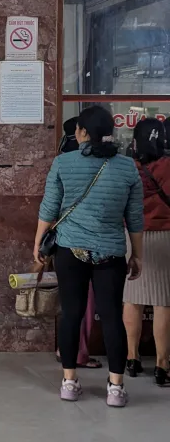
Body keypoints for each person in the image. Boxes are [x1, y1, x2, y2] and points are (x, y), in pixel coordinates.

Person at [34, 105, 144, 407]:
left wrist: (37, 244)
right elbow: (134, 218)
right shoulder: (127, 167)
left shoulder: (63, 163)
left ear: (81, 132)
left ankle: (69, 382)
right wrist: (137, 255)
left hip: (70, 250)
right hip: (111, 252)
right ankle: (116, 387)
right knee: (111, 318)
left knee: (71, 314)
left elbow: (49, 208)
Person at [122, 118, 170, 386]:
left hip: (133, 236)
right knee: (163, 301)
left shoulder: (129, 167)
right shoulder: (167, 166)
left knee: (133, 298)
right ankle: (162, 365)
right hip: (164, 236)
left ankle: (132, 357)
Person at [54, 117, 101, 370]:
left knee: (70, 305)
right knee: (86, 304)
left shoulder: (62, 156)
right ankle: (79, 353)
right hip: (89, 241)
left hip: (64, 240)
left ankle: (68, 357)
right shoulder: (91, 161)